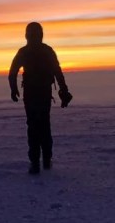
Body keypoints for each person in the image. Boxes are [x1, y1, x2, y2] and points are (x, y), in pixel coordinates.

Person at [8, 22, 73, 174]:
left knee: (33, 126)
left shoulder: (24, 51)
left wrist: (13, 89)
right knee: (44, 124)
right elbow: (58, 72)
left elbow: (12, 73)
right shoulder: (47, 50)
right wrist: (63, 90)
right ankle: (45, 161)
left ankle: (36, 162)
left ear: (27, 35)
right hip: (43, 93)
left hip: (31, 94)